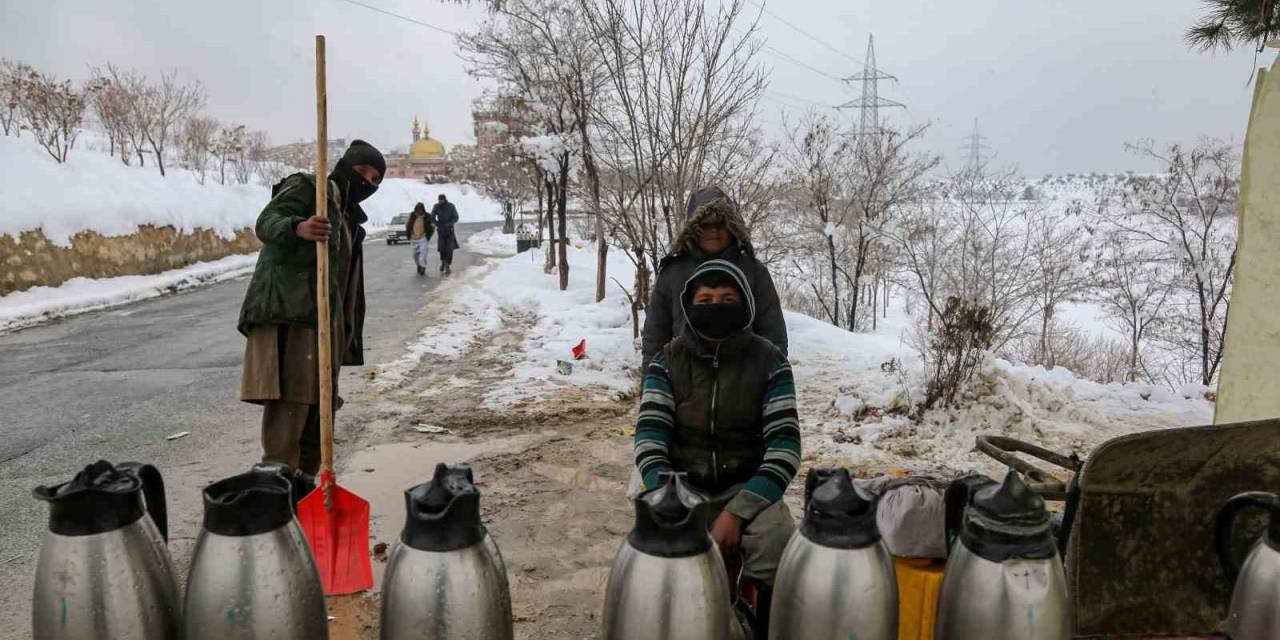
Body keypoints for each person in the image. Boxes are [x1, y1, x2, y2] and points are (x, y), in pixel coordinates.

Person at [634, 259, 801, 637]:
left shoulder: (770, 362)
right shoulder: (666, 362)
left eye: (727, 299)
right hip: (679, 490)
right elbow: (649, 439)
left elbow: (785, 447)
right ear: (689, 306)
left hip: (748, 489)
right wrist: (674, 502)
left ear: (745, 304)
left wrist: (738, 513)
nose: (715, 307)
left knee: (779, 547)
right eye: (705, 299)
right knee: (653, 556)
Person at [237, 140, 384, 491]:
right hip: (294, 313)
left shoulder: (349, 218)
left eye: (375, 179)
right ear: (346, 166)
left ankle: (304, 488)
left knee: (322, 407)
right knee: (294, 397)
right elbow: (266, 222)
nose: (368, 182)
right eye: (363, 172)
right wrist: (297, 228)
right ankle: (275, 486)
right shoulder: (310, 189)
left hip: (329, 322)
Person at [641, 186, 787, 369]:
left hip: (744, 379)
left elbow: (773, 333)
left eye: (720, 225)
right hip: (685, 379)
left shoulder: (754, 271)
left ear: (732, 226)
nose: (714, 232)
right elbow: (655, 336)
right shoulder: (673, 272)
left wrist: (775, 380)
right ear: (693, 228)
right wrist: (651, 385)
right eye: (705, 225)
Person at [432, 194, 460, 275]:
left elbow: (456, 217)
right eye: (439, 200)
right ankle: (443, 262)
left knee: (450, 248)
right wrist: (437, 223)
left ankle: (447, 265)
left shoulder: (451, 206)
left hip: (449, 230)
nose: (440, 201)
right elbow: (432, 216)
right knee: (442, 248)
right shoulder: (436, 206)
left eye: (441, 200)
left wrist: (450, 223)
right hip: (441, 231)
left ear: (445, 199)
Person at [406, 202, 435, 275]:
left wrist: (429, 235)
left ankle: (423, 267)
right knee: (415, 255)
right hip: (414, 239)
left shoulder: (427, 216)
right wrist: (409, 234)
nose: (419, 211)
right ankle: (418, 265)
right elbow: (407, 224)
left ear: (423, 209)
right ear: (415, 209)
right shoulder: (412, 215)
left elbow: (432, 226)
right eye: (418, 209)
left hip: (423, 239)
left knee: (423, 254)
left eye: (421, 209)